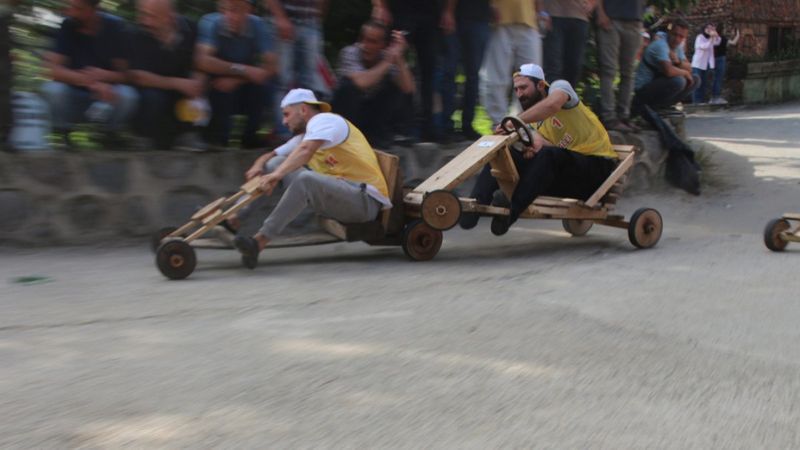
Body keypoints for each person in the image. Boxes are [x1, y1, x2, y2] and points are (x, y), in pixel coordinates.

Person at [230, 88, 392, 266]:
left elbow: (305, 151)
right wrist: (259, 165)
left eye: (286, 114)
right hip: (342, 196)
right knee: (275, 164)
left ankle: (258, 242)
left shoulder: (325, 120)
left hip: (364, 202)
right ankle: (234, 219)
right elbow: (271, 156)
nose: (284, 121)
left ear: (304, 110)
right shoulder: (307, 135)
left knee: (305, 179)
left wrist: (276, 176)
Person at [460, 63, 617, 235]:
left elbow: (551, 106)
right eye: (517, 90)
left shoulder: (560, 88)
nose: (520, 94)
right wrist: (531, 149)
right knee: (504, 154)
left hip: (597, 169)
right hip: (569, 173)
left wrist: (513, 121)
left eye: (524, 88)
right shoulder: (535, 118)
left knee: (549, 155)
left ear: (541, 85)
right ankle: (474, 206)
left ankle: (511, 211)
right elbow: (544, 145)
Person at [41, 0, 138, 148]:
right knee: (52, 90)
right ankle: (63, 134)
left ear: (94, 9)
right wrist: (90, 81)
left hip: (107, 97)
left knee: (128, 95)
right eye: (70, 7)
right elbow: (53, 70)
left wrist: (105, 77)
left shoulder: (115, 27)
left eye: (78, 9)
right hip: (75, 95)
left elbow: (127, 75)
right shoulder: (68, 25)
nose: (72, 12)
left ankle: (109, 134)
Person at [196, 0, 277, 149]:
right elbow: (202, 61)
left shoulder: (258, 25)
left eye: (235, 10)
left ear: (248, 10)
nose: (229, 16)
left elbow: (271, 67)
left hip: (243, 82)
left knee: (264, 86)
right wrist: (243, 70)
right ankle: (218, 139)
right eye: (225, 9)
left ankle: (251, 138)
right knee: (218, 86)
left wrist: (237, 79)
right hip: (216, 82)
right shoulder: (210, 22)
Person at [130, 0, 206, 151]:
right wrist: (178, 83)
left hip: (183, 92)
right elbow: (137, 75)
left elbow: (202, 61)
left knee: (204, 88)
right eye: (142, 14)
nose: (144, 21)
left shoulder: (191, 29)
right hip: (153, 91)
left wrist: (199, 80)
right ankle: (144, 138)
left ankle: (190, 135)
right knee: (151, 97)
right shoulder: (136, 34)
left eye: (150, 16)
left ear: (169, 17)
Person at [331, 20, 414, 149]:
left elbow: (408, 88)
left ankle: (384, 136)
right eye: (363, 40)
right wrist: (388, 62)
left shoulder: (386, 56)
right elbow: (361, 83)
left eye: (372, 42)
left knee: (394, 88)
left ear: (383, 45)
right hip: (348, 115)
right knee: (348, 87)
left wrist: (398, 57)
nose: (366, 45)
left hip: (372, 115)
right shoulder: (349, 52)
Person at [371, 0, 444, 142]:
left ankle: (427, 128)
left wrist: (447, 12)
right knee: (393, 67)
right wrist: (380, 6)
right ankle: (395, 127)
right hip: (400, 12)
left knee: (428, 71)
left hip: (431, 14)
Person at [264, 0, 329, 141]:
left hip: (310, 21)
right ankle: (284, 134)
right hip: (282, 18)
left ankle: (309, 133)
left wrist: (317, 16)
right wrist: (280, 17)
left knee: (310, 84)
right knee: (282, 81)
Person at [480, 0, 544, 129]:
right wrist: (490, 6)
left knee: (532, 78)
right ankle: (498, 125)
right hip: (500, 20)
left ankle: (520, 124)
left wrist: (540, 12)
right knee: (495, 78)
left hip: (529, 20)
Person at [437, 0, 490, 142]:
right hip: (456, 17)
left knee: (472, 76)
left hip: (480, 17)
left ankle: (467, 126)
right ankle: (446, 126)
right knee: (449, 73)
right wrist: (448, 11)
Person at [595, 0, 646, 132]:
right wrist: (601, 13)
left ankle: (624, 117)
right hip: (610, 18)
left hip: (635, 20)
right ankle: (609, 118)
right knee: (608, 71)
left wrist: (641, 18)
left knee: (628, 72)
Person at [631, 18, 698, 116]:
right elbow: (669, 71)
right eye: (675, 35)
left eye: (681, 37)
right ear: (669, 32)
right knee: (679, 81)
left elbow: (689, 68)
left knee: (695, 79)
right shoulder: (660, 45)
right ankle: (653, 106)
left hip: (657, 85)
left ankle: (664, 106)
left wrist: (679, 62)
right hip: (642, 89)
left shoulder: (677, 47)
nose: (677, 39)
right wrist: (685, 73)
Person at [540, 0, 595, 87]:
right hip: (553, 15)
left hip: (579, 17)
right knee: (552, 66)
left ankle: (567, 97)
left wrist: (592, 4)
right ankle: (551, 98)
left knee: (574, 67)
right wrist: (542, 11)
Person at [690, 23, 720, 104]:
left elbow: (718, 42)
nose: (709, 30)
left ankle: (701, 101)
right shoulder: (700, 37)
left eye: (711, 28)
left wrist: (715, 35)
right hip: (697, 64)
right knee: (697, 83)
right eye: (708, 28)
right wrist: (711, 38)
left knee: (703, 83)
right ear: (704, 29)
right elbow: (704, 46)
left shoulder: (709, 38)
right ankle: (696, 101)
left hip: (705, 65)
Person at [710, 24, 739, 105]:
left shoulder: (714, 38)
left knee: (715, 78)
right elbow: (733, 43)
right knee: (719, 78)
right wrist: (738, 35)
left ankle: (713, 97)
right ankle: (716, 97)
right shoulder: (722, 38)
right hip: (721, 58)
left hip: (713, 59)